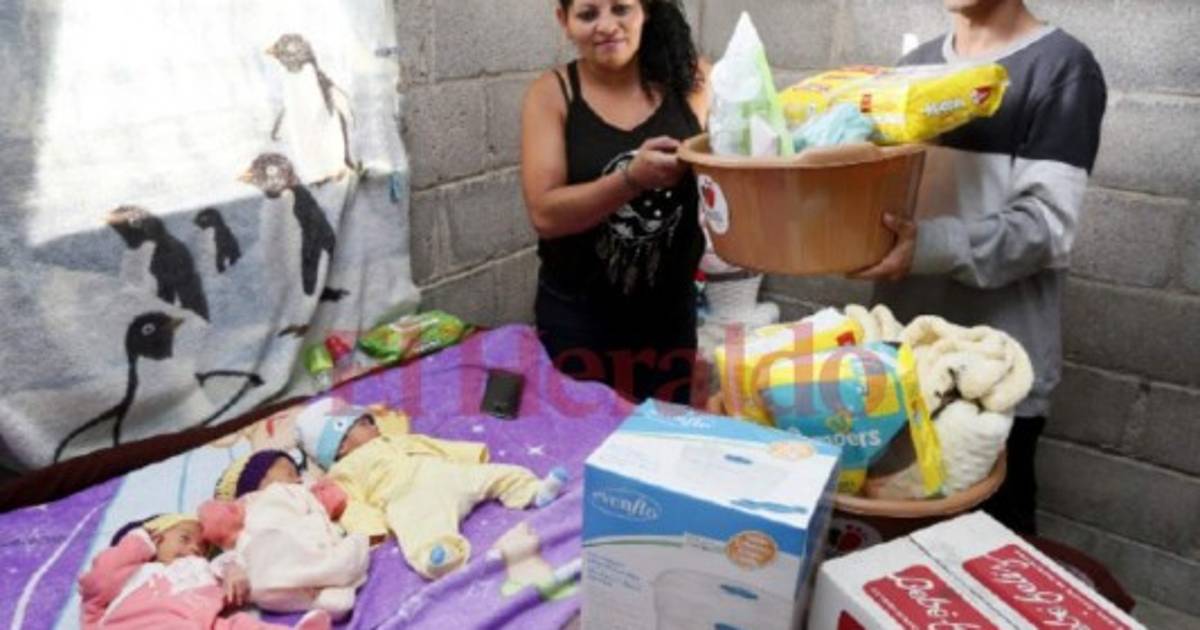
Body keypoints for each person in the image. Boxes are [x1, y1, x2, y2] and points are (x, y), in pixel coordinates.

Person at [854, 0, 1107, 534]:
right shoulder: (915, 68)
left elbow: (1046, 226)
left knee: (981, 547)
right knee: (888, 545)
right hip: (902, 362)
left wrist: (926, 246)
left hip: (994, 377)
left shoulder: (1062, 69)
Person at [521, 0, 710, 404]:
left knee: (662, 436)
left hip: (669, 318)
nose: (606, 26)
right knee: (583, 435)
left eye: (621, 9)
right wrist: (631, 180)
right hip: (579, 322)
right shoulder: (552, 94)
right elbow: (545, 215)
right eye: (588, 14)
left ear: (645, 10)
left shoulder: (690, 78)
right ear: (564, 21)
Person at [293, 398, 568, 580]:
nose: (374, 425)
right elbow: (351, 504)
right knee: (420, 527)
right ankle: (438, 556)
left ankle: (533, 491)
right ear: (340, 445)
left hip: (445, 473)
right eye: (364, 424)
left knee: (498, 474)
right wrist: (371, 529)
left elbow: (431, 445)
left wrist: (467, 455)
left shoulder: (394, 441)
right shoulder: (344, 471)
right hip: (405, 496)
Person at [78, 513, 331, 630]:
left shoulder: (199, 569)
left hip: (202, 621)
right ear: (155, 537)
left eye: (201, 547)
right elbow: (98, 579)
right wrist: (138, 542)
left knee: (238, 625)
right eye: (184, 538)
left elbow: (227, 574)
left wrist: (233, 570)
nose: (193, 549)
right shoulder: (132, 574)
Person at [199, 450, 370, 620]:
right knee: (264, 581)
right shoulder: (253, 506)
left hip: (311, 545)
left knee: (354, 544)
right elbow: (227, 549)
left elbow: (334, 501)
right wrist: (233, 570)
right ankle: (330, 591)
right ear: (259, 480)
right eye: (290, 473)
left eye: (299, 475)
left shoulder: (304, 492)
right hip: (270, 555)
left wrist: (323, 487)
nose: (299, 478)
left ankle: (330, 587)